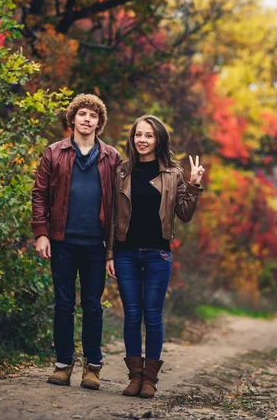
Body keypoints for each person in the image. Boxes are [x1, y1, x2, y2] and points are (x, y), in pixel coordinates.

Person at [106, 115, 204, 399]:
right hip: (125, 254)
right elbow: (113, 218)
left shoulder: (173, 174)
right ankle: (134, 377)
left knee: (153, 316)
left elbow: (184, 215)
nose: (143, 140)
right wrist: (110, 254)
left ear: (158, 139)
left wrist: (194, 184)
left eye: (149, 135)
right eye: (138, 135)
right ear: (132, 138)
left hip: (158, 255)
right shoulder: (121, 171)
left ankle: (150, 380)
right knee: (131, 315)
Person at [32, 93, 121, 390]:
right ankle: (63, 365)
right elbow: (39, 194)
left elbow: (122, 202)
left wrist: (114, 249)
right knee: (63, 304)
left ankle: (92, 368)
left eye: (93, 116)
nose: (87, 119)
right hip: (62, 241)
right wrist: (41, 233)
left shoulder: (111, 157)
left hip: (97, 244)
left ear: (100, 122)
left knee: (93, 306)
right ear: (73, 119)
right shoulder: (54, 152)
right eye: (82, 114)